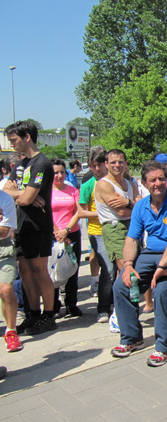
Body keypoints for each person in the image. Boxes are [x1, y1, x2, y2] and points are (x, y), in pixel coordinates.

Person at [111, 161, 167, 367]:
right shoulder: (140, 206)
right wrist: (128, 265)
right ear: (144, 183)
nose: (158, 183)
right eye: (152, 180)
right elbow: (132, 238)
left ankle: (164, 346)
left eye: (161, 178)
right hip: (148, 254)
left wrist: (162, 266)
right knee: (121, 285)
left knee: (162, 290)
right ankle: (131, 338)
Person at [4, 121, 57, 335]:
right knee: (25, 272)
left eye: (14, 140)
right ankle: (33, 314)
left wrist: (25, 195)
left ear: (27, 137)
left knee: (38, 270)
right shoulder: (20, 164)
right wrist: (23, 195)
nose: (12, 145)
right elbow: (7, 190)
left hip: (38, 225)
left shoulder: (41, 163)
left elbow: (25, 197)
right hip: (20, 224)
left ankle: (49, 315)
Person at [79, 148, 116, 323]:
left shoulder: (116, 182)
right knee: (107, 270)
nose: (96, 169)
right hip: (97, 232)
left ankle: (115, 303)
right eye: (93, 166)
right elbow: (81, 212)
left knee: (118, 269)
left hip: (117, 231)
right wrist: (103, 213)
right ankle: (102, 308)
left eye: (99, 165)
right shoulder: (88, 185)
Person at [94, 149, 140, 273]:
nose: (117, 165)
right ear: (106, 164)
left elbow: (142, 205)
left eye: (120, 162)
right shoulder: (104, 184)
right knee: (126, 269)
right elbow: (121, 213)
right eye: (113, 162)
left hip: (132, 225)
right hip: (115, 228)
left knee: (136, 265)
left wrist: (127, 202)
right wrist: (135, 207)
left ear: (125, 163)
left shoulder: (130, 184)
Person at [51, 159, 83, 317]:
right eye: (55, 172)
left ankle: (71, 304)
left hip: (72, 232)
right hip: (53, 236)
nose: (59, 175)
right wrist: (58, 232)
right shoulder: (45, 191)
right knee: (54, 271)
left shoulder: (72, 190)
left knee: (72, 269)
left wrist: (67, 230)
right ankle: (53, 306)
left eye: (62, 172)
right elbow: (45, 213)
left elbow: (79, 211)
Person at [0, 187, 22, 352]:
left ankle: (11, 331)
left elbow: (4, 232)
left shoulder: (5, 199)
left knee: (6, 289)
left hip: (3, 251)